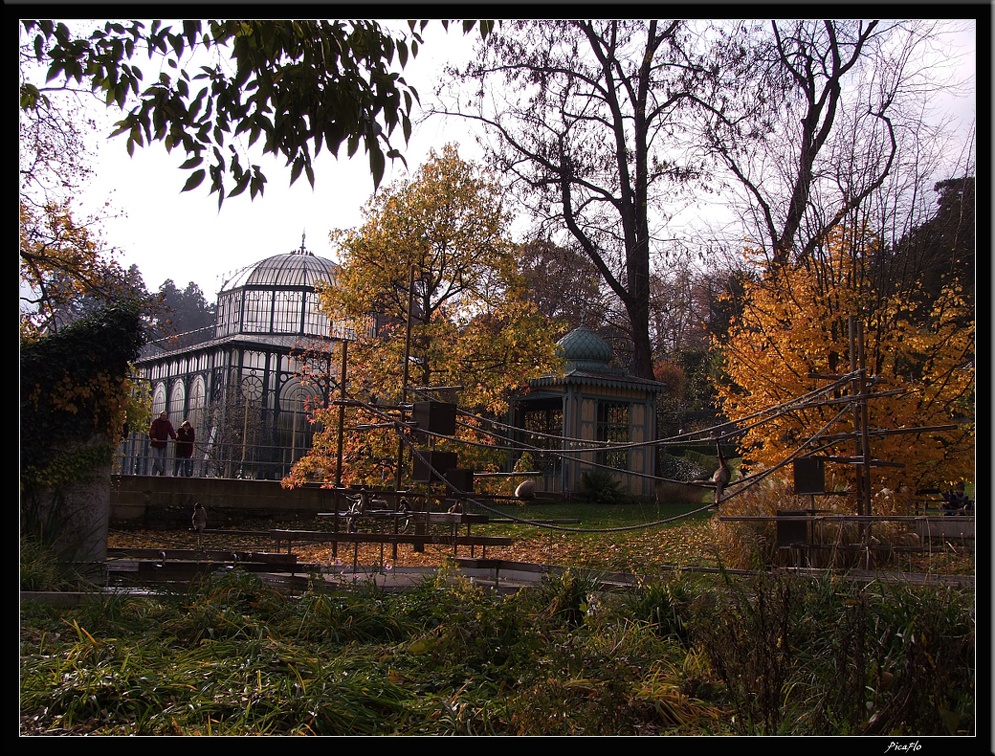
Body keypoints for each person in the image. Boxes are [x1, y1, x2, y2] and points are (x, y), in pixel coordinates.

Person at [148, 411, 177, 476]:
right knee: (156, 458)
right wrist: (153, 437)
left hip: (162, 444)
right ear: (160, 416)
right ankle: (162, 470)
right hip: (155, 443)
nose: (164, 417)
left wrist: (173, 437)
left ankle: (153, 474)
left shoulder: (167, 423)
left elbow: (171, 430)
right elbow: (152, 430)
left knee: (157, 460)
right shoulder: (156, 422)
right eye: (163, 415)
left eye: (165, 416)